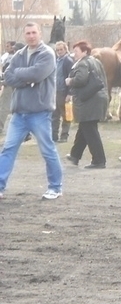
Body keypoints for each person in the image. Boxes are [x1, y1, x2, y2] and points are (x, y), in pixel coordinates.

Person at [0, 22, 63, 200]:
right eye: (27, 33)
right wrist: (25, 79)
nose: (31, 36)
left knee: (47, 150)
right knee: (8, 149)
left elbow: (37, 74)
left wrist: (22, 76)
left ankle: (55, 187)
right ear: (24, 35)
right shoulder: (19, 54)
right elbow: (8, 77)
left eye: (34, 32)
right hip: (19, 113)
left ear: (40, 34)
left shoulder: (47, 54)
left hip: (40, 112)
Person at [64, 41, 109, 169]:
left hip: (89, 101)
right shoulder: (96, 61)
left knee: (90, 130)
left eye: (76, 51)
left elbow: (81, 79)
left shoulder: (83, 63)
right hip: (99, 98)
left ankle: (99, 160)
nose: (74, 55)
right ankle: (75, 155)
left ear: (85, 52)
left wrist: (70, 81)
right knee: (85, 128)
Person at [52, 41, 74, 143]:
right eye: (58, 50)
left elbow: (71, 77)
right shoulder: (56, 61)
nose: (59, 51)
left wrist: (69, 93)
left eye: (61, 49)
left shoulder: (68, 61)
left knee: (66, 115)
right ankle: (54, 136)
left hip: (64, 92)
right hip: (55, 91)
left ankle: (64, 136)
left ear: (65, 49)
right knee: (54, 115)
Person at [0, 41, 21, 135]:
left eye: (13, 47)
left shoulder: (16, 59)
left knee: (4, 107)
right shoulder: (8, 58)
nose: (10, 48)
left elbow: (13, 75)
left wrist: (4, 82)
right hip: (10, 84)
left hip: (13, 86)